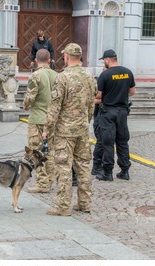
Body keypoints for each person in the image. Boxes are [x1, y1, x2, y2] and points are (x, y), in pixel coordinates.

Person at [42, 43, 97, 216]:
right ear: (80, 57)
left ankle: (63, 206)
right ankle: (85, 203)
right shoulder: (89, 77)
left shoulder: (62, 77)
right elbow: (91, 106)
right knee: (83, 167)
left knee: (64, 167)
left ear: (66, 56)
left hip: (65, 132)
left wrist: (47, 129)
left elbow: (54, 107)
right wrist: (85, 122)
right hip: (82, 129)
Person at [94, 49, 136, 181]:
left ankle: (107, 172)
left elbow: (98, 95)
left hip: (108, 112)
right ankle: (125, 171)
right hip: (122, 112)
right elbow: (132, 92)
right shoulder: (127, 72)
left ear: (107, 60)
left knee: (107, 142)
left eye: (104, 61)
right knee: (123, 141)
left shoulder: (105, 75)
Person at [23, 49, 58, 193]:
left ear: (36, 60)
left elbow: (30, 97)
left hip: (38, 118)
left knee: (36, 150)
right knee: (50, 150)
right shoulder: (57, 76)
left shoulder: (36, 75)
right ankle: (49, 180)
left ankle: (42, 183)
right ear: (49, 60)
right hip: (52, 119)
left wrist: (26, 105)